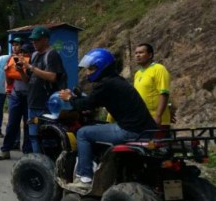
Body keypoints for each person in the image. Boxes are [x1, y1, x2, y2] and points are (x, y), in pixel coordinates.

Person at [59, 48, 157, 189]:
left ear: (101, 67)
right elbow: (94, 101)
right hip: (147, 129)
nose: (87, 73)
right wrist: (75, 98)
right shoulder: (115, 81)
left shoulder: (105, 84)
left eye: (91, 69)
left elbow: (87, 105)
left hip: (130, 130)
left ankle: (85, 178)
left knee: (83, 133)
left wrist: (69, 98)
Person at [25, 26, 66, 153]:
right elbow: (29, 79)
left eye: (37, 40)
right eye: (33, 40)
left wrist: (31, 68)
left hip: (45, 103)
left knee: (45, 138)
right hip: (32, 101)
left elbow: (52, 76)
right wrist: (21, 70)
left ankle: (46, 165)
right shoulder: (34, 55)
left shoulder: (52, 55)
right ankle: (38, 163)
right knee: (33, 136)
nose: (34, 42)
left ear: (45, 40)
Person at [0, 37, 30, 160]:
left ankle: (27, 152)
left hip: (29, 96)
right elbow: (10, 78)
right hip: (16, 95)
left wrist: (21, 70)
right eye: (13, 45)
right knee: (12, 124)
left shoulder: (30, 59)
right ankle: (6, 149)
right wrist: (7, 74)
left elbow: (28, 78)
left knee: (28, 124)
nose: (14, 47)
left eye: (17, 45)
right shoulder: (10, 59)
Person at [134, 43, 171, 127]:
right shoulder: (137, 74)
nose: (137, 55)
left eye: (141, 53)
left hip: (157, 120)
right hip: (142, 120)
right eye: (136, 53)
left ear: (150, 55)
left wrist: (158, 116)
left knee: (156, 140)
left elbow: (164, 93)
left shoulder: (159, 69)